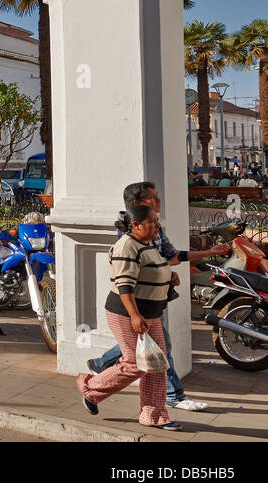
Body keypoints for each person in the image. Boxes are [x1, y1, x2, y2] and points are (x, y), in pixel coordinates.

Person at [87, 181, 230, 412]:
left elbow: (170, 256)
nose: (160, 202)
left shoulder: (152, 226)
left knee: (155, 351)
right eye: (154, 198)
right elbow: (128, 278)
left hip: (153, 302)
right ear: (137, 205)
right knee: (155, 353)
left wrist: (207, 253)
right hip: (137, 303)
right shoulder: (129, 235)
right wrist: (136, 312)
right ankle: (170, 395)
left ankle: (107, 371)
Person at [78, 203, 180, 430]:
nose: (157, 226)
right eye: (152, 222)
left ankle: (153, 415)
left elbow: (153, 268)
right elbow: (124, 284)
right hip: (126, 313)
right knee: (136, 364)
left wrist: (168, 277)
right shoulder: (126, 245)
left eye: (157, 221)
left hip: (150, 312)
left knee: (157, 364)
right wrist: (134, 315)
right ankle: (90, 389)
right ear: (136, 225)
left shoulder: (147, 243)